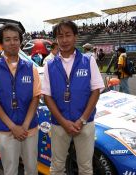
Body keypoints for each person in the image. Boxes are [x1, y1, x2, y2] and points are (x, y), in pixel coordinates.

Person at [42, 20, 104, 175]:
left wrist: (82, 119)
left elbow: (96, 91)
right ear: (56, 39)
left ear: (75, 36)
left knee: (86, 168)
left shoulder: (88, 61)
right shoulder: (49, 65)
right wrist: (63, 122)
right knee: (56, 167)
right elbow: (47, 96)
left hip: (85, 123)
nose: (64, 40)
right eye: (60, 36)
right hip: (59, 124)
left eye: (68, 35)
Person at [0, 24, 41, 175]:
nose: (12, 42)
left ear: (20, 42)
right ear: (1, 43)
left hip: (30, 129)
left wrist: (25, 125)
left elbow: (36, 97)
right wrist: (13, 127)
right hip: (5, 129)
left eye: (16, 39)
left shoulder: (30, 67)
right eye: (7, 39)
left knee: (32, 169)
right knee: (10, 170)